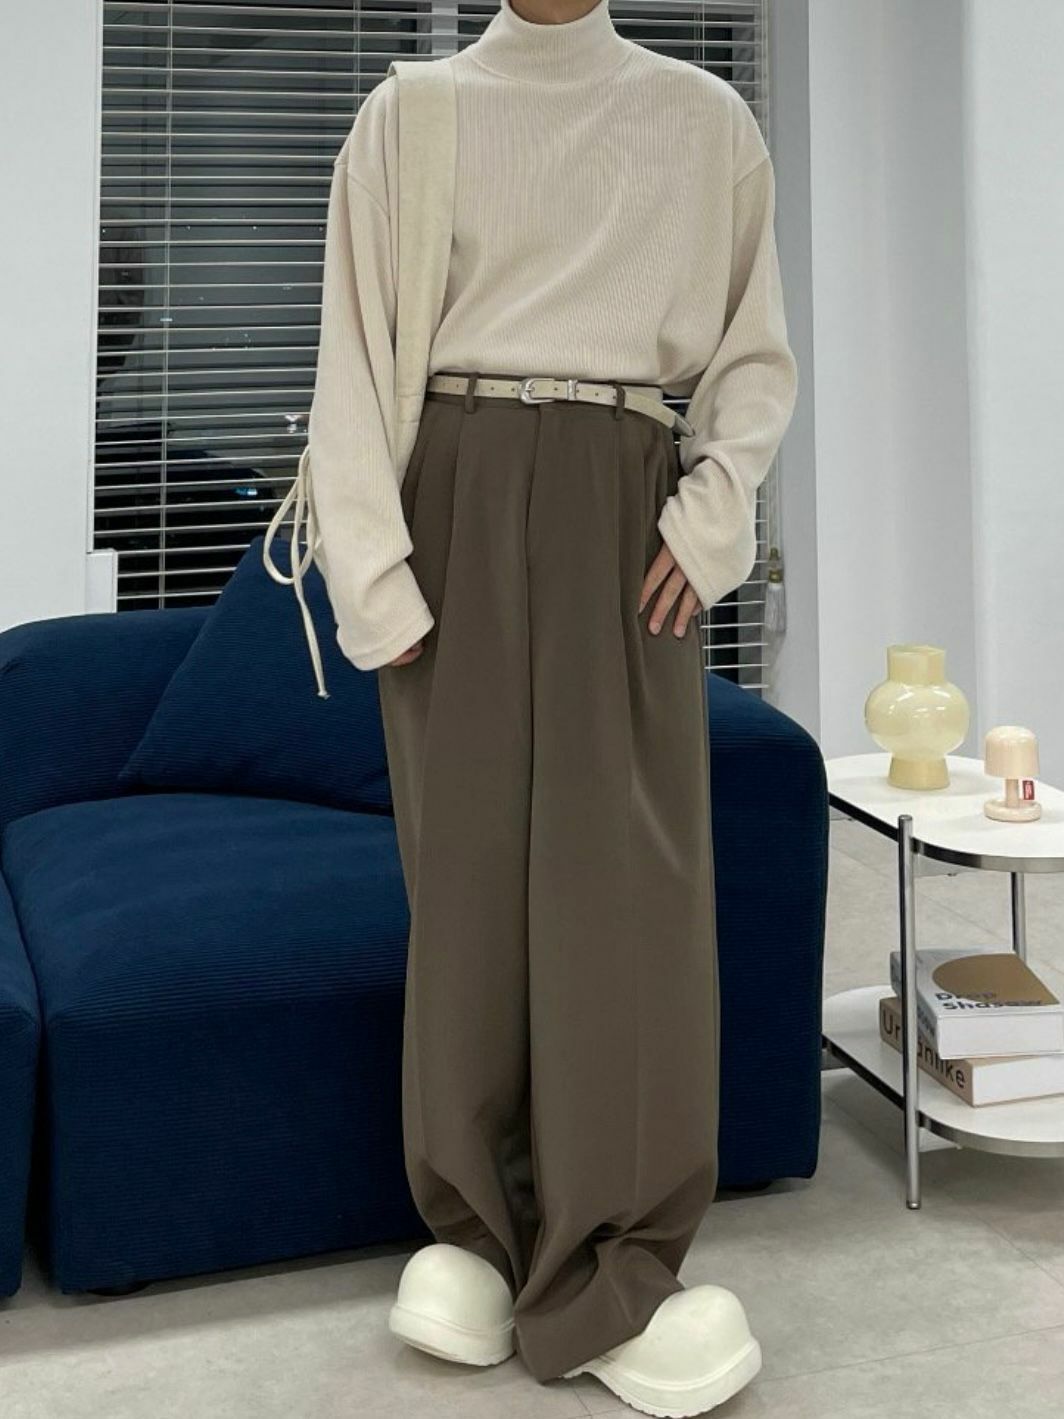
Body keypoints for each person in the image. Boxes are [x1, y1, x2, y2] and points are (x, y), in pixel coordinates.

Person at [298, 2, 797, 1413]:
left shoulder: (703, 120)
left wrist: (709, 521)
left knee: (622, 891)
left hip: (621, 496)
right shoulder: (411, 113)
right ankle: (479, 1233)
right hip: (449, 493)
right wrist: (373, 575)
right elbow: (350, 358)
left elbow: (751, 358)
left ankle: (615, 1262)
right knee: (465, 886)